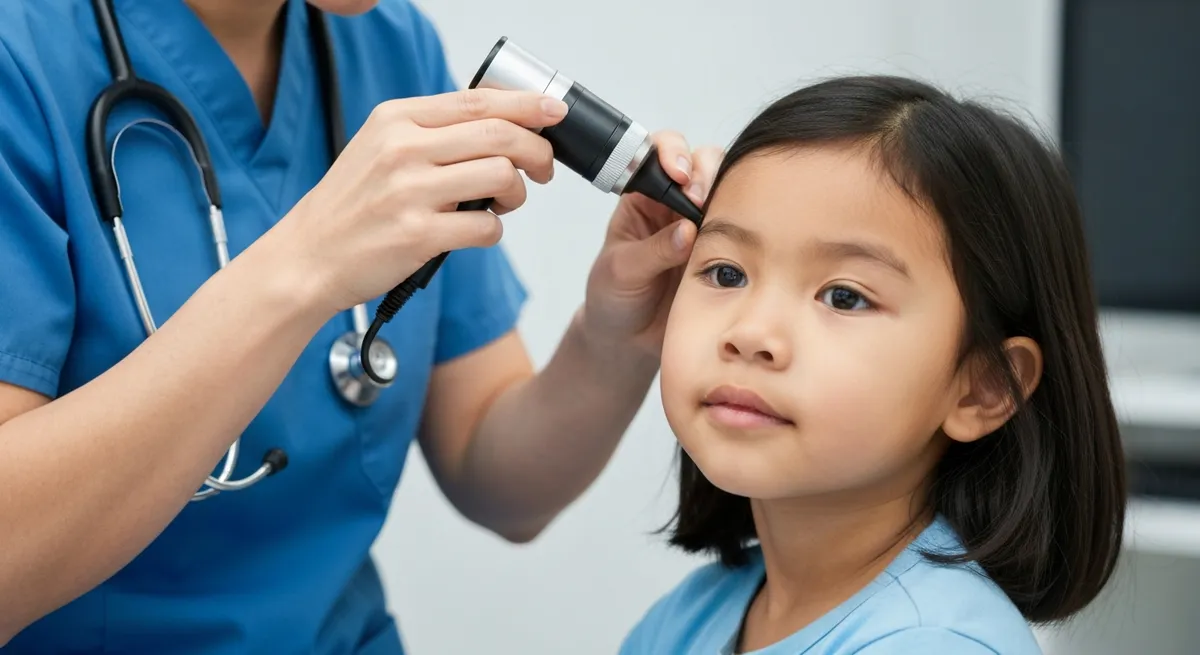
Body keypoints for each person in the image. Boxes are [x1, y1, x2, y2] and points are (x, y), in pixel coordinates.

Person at [0, 0, 721, 652]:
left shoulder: (387, 43)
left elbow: (500, 483)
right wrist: (305, 266)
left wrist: (615, 339)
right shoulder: (22, 53)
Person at [619, 75, 1127, 654]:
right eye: (727, 273)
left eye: (844, 297)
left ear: (983, 387)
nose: (752, 334)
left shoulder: (938, 646)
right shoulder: (689, 617)